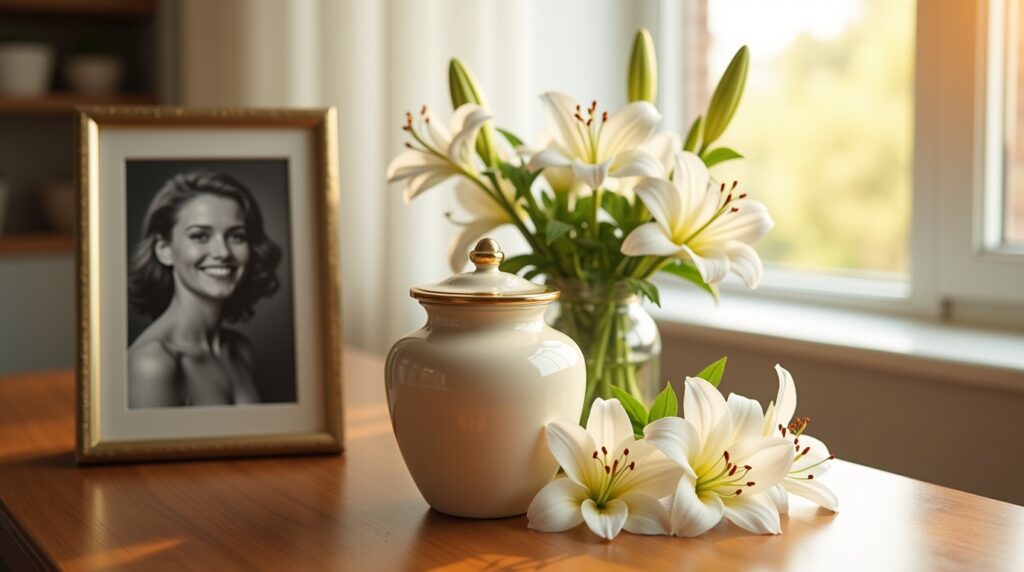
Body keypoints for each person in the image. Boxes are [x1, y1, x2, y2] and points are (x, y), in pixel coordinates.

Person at [127, 172, 282, 408]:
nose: (223, 252)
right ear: (164, 249)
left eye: (236, 236)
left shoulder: (240, 349)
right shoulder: (153, 364)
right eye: (200, 236)